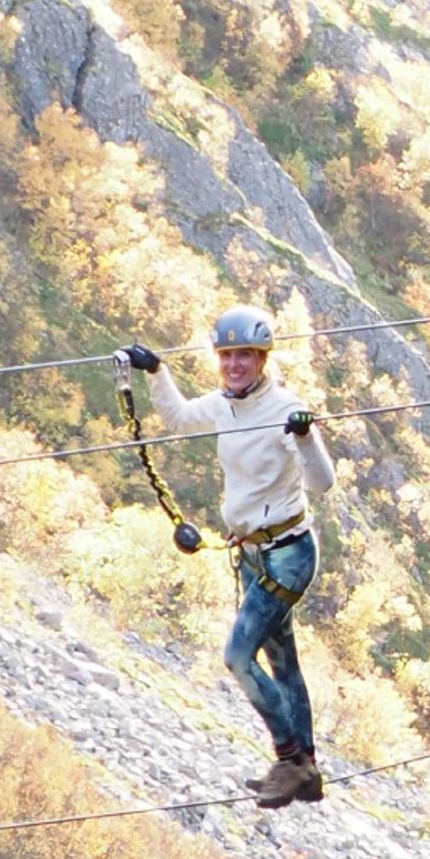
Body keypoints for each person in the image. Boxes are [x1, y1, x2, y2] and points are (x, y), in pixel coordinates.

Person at [122, 306, 337, 808]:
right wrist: (157, 371)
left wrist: (304, 437)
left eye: (245, 355)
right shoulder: (224, 405)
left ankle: (289, 760)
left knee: (238, 656)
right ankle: (306, 768)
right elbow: (177, 417)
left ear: (263, 359)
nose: (235, 364)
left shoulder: (286, 406)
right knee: (283, 662)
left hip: (289, 553)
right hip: (255, 553)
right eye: (227, 355)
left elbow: (322, 483)